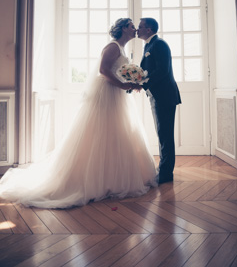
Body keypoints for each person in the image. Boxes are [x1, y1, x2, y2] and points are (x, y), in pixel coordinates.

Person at [0, 18, 157, 208]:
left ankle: (111, 178)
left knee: (116, 134)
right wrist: (124, 84)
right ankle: (93, 181)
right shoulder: (113, 47)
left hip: (117, 94)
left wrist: (130, 82)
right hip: (107, 94)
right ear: (124, 28)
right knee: (101, 133)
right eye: (132, 26)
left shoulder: (121, 49)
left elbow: (116, 71)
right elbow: (103, 70)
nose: (135, 30)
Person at [137, 18, 181, 184]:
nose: (137, 29)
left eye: (140, 27)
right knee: (162, 133)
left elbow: (162, 71)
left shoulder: (159, 44)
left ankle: (166, 174)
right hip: (157, 95)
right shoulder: (149, 45)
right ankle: (164, 169)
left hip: (165, 96)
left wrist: (142, 84)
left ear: (148, 29)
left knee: (165, 134)